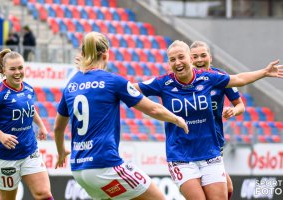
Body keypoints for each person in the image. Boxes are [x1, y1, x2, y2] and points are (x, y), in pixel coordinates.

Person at [134, 40, 283, 200]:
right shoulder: (163, 83)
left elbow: (239, 79)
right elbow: (130, 89)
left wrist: (265, 72)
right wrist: (111, 87)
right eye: (172, 59)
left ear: (189, 59)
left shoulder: (209, 78)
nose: (177, 62)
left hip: (210, 152)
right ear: (169, 63)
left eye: (181, 57)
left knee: (226, 190)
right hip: (181, 156)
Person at [54, 31, 189, 200]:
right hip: (104, 166)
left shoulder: (71, 85)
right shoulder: (113, 81)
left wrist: (61, 152)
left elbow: (58, 128)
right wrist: (177, 119)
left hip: (79, 170)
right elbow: (153, 109)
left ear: (82, 54)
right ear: (106, 55)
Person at [0, 49, 54, 200]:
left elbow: (29, 108)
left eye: (20, 68)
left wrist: (41, 125)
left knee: (44, 193)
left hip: (30, 150)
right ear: (3, 70)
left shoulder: (28, 88)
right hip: (6, 156)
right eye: (13, 69)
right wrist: (1, 135)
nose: (18, 72)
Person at [190, 40, 245, 199]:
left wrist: (233, 111)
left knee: (226, 186)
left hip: (214, 139)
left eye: (203, 55)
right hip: (191, 139)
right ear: (189, 59)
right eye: (195, 56)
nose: (199, 59)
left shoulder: (221, 78)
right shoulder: (183, 80)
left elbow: (240, 105)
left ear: (210, 57)